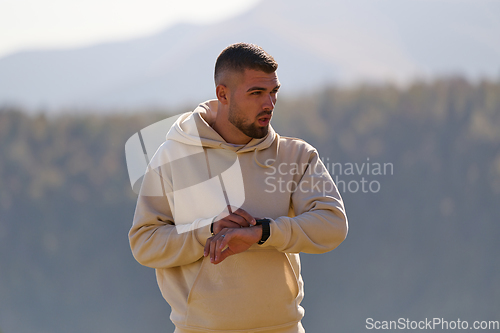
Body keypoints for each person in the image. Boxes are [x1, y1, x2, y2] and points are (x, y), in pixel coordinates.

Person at [129, 42, 348, 333]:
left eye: (273, 92)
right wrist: (207, 231)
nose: (268, 104)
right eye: (256, 93)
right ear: (223, 94)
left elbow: (333, 224)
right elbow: (145, 243)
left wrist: (263, 232)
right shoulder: (173, 157)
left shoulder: (295, 155)